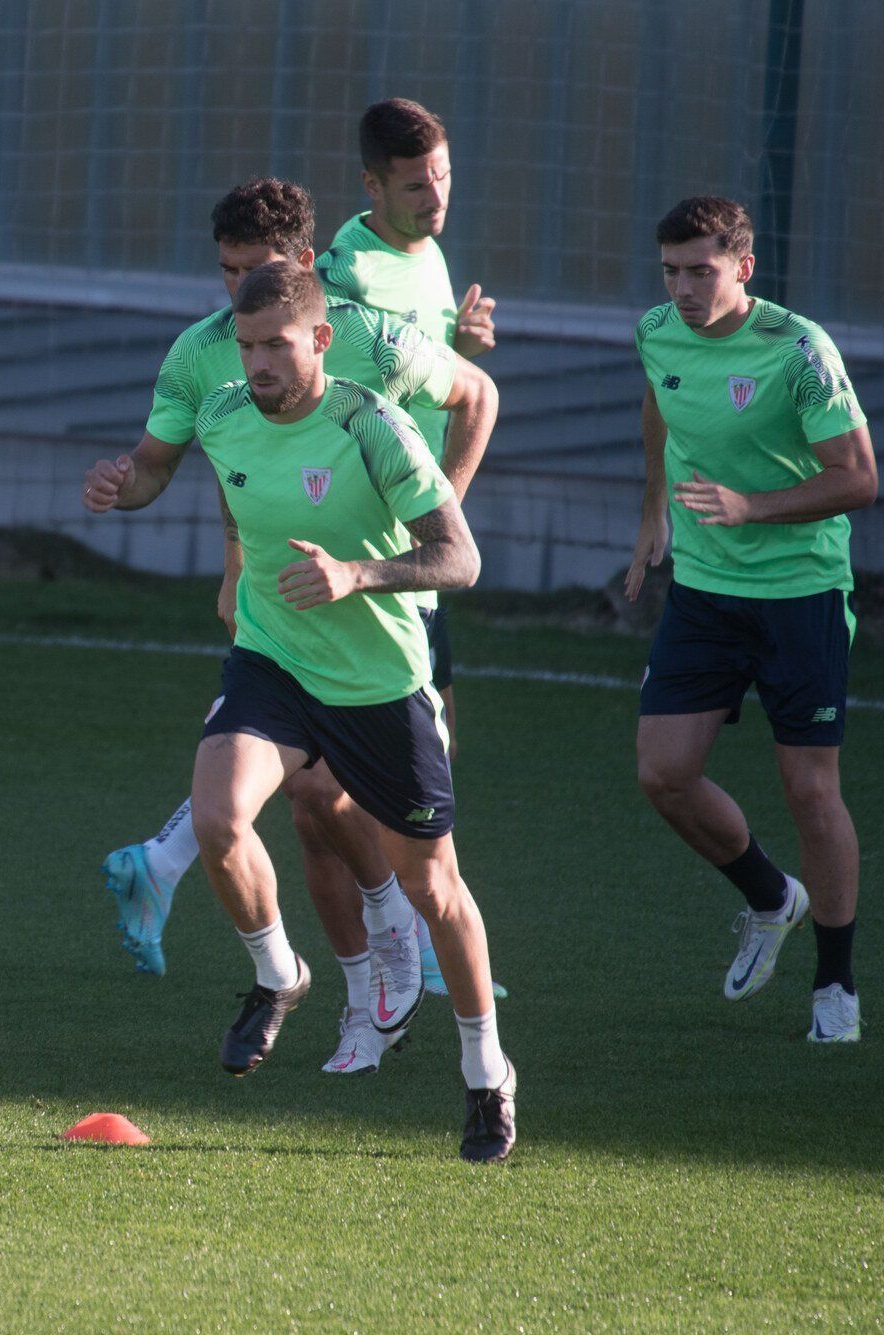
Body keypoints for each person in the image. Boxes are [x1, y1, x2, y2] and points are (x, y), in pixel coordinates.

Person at [84, 262, 515, 1162]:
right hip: (272, 662)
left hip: (377, 684)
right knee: (216, 818)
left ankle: (487, 1073)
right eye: (245, 348)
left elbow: (460, 558)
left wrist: (357, 573)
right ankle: (280, 976)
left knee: (435, 887)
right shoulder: (221, 416)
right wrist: (117, 488)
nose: (258, 364)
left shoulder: (373, 424)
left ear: (320, 339)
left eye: (277, 344)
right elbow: (226, 502)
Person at [626, 196, 875, 1043]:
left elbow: (858, 477)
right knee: (663, 772)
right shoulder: (657, 330)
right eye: (672, 270)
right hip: (704, 590)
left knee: (810, 789)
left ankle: (835, 987)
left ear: (744, 268)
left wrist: (749, 505)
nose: (685, 288)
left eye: (702, 270)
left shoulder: (799, 350)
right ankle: (772, 898)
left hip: (801, 591)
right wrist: (653, 510)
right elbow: (662, 404)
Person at [317, 97, 498, 994]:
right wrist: (436, 523)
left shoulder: (424, 254)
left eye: (445, 178)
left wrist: (458, 346)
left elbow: (429, 379)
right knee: (346, 765)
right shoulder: (344, 277)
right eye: (417, 184)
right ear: (371, 185)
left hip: (417, 540)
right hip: (377, 541)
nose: (437, 197)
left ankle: (410, 939)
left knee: (428, 749)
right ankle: (408, 949)